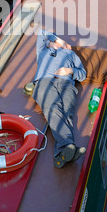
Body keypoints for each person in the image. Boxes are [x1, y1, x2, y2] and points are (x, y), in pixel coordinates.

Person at [32, 29, 87, 168]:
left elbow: (83, 74)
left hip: (67, 84)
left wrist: (70, 71)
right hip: (45, 81)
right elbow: (41, 32)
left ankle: (62, 155)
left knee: (67, 113)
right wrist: (59, 41)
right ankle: (68, 145)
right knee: (53, 108)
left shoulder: (72, 55)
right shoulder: (43, 51)